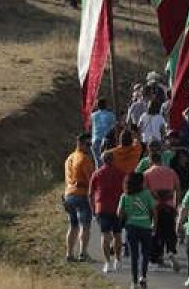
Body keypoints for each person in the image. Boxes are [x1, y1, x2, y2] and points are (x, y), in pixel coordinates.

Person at [90, 151, 127, 274]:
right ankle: (118, 260)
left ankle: (107, 263)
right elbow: (126, 191)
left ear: (102, 160)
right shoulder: (121, 173)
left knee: (105, 235)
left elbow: (90, 193)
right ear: (113, 160)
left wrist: (93, 210)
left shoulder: (97, 173)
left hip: (102, 207)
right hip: (118, 208)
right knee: (117, 234)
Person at [118, 171, 156, 287]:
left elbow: (119, 213)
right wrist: (154, 224)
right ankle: (143, 276)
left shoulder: (125, 195)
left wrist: (126, 216)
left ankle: (134, 282)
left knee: (134, 255)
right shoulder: (147, 194)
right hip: (146, 226)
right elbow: (154, 211)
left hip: (131, 227)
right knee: (145, 253)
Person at [63, 133, 94, 263]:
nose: (90, 147)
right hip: (81, 194)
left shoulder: (69, 158)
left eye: (90, 144)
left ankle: (69, 254)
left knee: (73, 225)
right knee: (85, 225)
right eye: (88, 144)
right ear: (80, 144)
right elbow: (91, 180)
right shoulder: (85, 159)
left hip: (68, 194)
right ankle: (83, 253)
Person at [90, 98, 117, 165]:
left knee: (98, 162)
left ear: (97, 106)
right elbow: (114, 127)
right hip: (106, 141)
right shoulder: (111, 115)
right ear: (106, 105)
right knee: (108, 162)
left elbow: (90, 124)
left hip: (95, 140)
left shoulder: (93, 115)